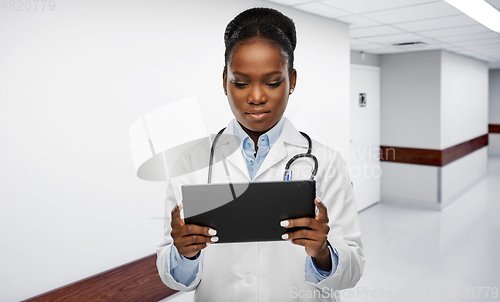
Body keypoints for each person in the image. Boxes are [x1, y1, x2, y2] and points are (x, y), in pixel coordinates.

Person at [156, 7, 364, 301]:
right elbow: (175, 279)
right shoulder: (191, 161)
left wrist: (323, 252)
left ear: (292, 81)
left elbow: (352, 270)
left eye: (272, 82)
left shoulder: (326, 163)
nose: (255, 97)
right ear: (224, 80)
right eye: (240, 83)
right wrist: (183, 253)